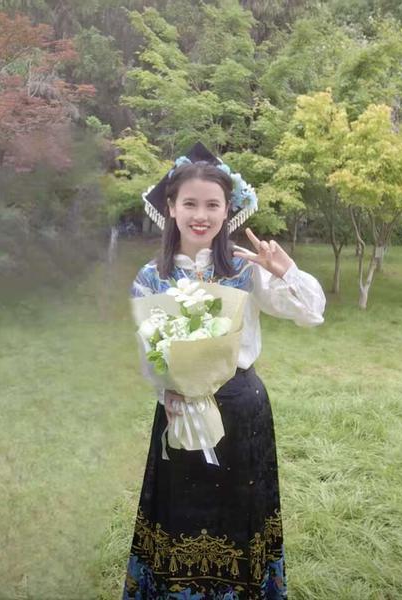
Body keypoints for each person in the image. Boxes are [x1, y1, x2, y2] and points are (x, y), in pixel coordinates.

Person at [124, 142, 326, 599]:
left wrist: (285, 270)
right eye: (190, 203)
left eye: (212, 205)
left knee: (240, 512)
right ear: (171, 207)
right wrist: (168, 394)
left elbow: (310, 312)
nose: (201, 215)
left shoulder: (244, 267)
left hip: (240, 409)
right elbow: (147, 350)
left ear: (227, 210)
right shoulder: (151, 276)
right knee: (180, 512)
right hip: (179, 410)